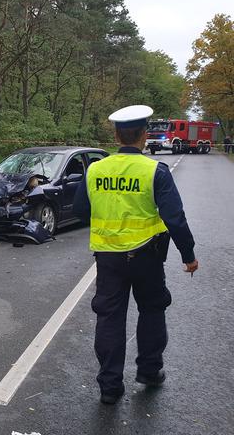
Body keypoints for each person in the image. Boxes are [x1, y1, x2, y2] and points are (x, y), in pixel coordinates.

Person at [73, 105, 199, 405]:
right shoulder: (155, 171)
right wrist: (188, 255)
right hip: (148, 257)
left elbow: (80, 210)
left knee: (109, 318)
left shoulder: (95, 169)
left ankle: (109, 387)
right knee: (153, 310)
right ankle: (149, 371)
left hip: (107, 258)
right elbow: (175, 218)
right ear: (144, 135)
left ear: (116, 134)